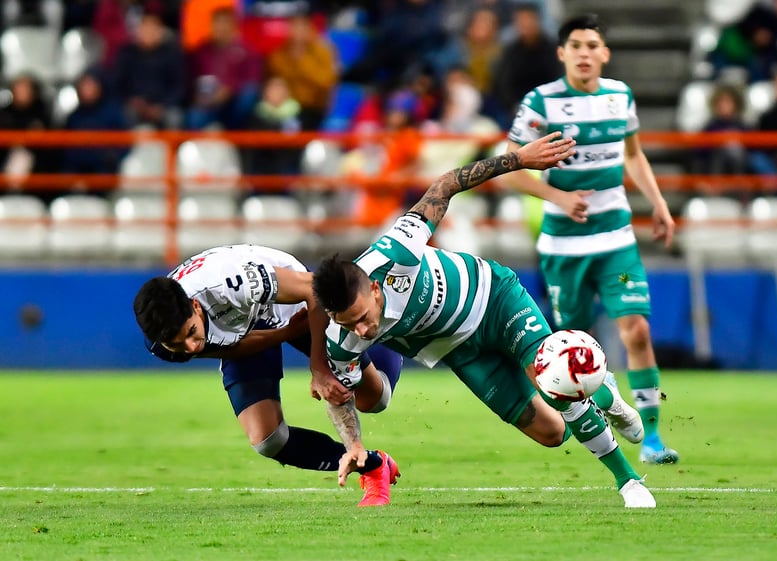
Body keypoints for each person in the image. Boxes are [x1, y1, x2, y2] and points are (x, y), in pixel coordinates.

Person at [312, 133, 657, 508]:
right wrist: (355, 445)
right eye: (350, 325)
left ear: (376, 289)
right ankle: (600, 389)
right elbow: (339, 396)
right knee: (553, 433)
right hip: (461, 352)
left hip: (494, 300)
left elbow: (444, 185)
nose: (362, 331)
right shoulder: (341, 338)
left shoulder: (398, 250)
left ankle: (629, 482)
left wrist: (518, 160)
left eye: (362, 318)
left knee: (554, 380)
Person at [503, 14, 679, 465]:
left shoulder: (620, 95)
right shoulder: (541, 102)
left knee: (636, 329)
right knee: (577, 348)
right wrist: (555, 196)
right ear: (562, 53)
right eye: (575, 45)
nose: (584, 53)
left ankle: (654, 437)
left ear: (605, 53)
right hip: (563, 246)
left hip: (615, 236)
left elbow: (633, 155)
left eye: (592, 45)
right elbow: (508, 171)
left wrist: (658, 204)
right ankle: (614, 408)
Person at [132, 244, 404, 506]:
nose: (190, 347)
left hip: (294, 305)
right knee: (268, 440)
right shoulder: (164, 342)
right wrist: (282, 335)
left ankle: (395, 333)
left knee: (375, 399)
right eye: (178, 345)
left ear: (196, 306)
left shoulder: (235, 281)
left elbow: (313, 289)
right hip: (246, 323)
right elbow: (224, 347)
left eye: (191, 332)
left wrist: (318, 367)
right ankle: (372, 464)